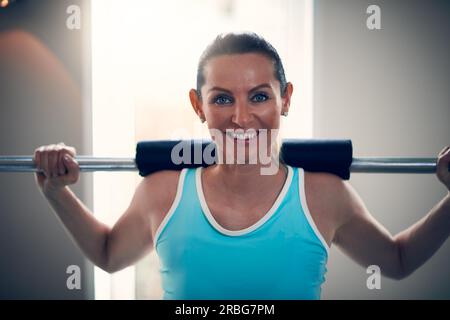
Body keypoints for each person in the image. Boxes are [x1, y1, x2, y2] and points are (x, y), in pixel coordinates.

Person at [33, 32, 450, 300]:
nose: (241, 118)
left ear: (285, 98)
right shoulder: (163, 191)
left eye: (259, 96)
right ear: (198, 106)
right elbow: (109, 255)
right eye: (221, 98)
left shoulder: (322, 195)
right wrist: (56, 191)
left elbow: (396, 262)